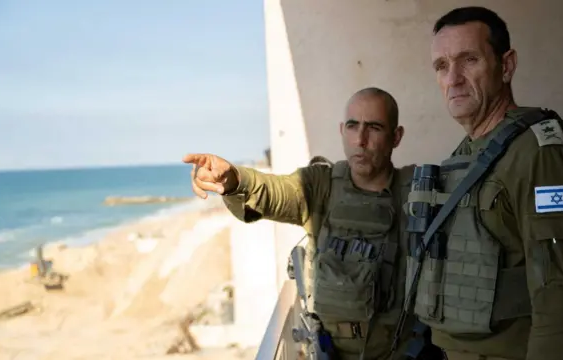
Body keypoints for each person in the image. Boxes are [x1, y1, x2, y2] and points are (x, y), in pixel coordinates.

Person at [395, 6, 563, 360]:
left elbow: (562, 293)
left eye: (469, 60)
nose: (453, 78)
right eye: (441, 66)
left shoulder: (539, 154)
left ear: (506, 65)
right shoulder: (466, 153)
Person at [183, 87, 443, 359]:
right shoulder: (320, 186)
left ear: (396, 137)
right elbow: (273, 192)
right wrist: (234, 180)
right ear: (342, 130)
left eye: (374, 127)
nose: (361, 140)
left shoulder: (418, 193)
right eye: (353, 126)